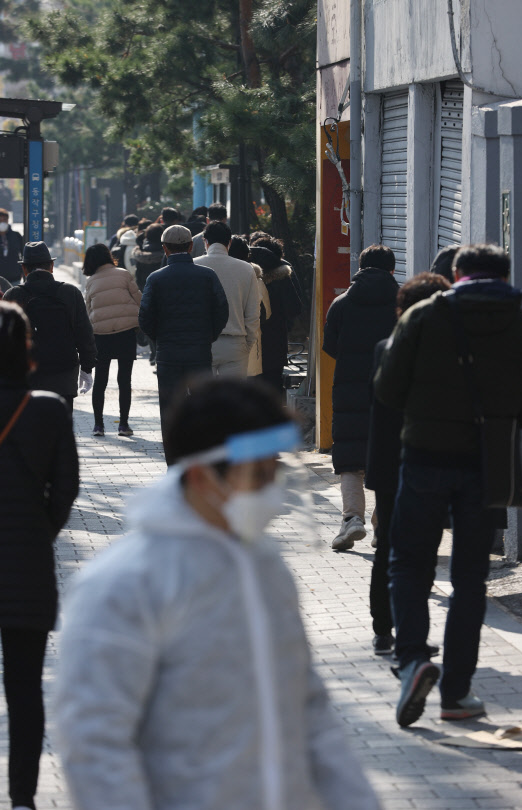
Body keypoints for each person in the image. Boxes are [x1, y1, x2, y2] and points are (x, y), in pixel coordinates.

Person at [54, 376, 380, 810]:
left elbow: (309, 710)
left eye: (274, 472)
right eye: (257, 475)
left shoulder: (264, 566)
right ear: (202, 477)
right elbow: (94, 746)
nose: (271, 491)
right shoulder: (123, 585)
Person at [374, 244, 522, 727]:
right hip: (490, 464)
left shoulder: (425, 316)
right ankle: (456, 694)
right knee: (471, 579)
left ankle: (412, 662)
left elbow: (388, 389)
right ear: (505, 277)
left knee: (409, 563)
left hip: (424, 456)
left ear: (459, 273)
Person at [0, 300, 79, 810]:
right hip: (26, 566)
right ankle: (24, 797)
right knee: (25, 689)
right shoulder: (48, 408)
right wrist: (37, 532)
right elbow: (66, 490)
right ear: (24, 349)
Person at [365, 273, 451, 656]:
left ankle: (383, 628)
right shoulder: (450, 352)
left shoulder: (385, 346)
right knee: (423, 547)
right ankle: (411, 631)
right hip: (428, 461)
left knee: (387, 545)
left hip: (386, 461)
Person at [322, 244, 398, 551]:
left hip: (350, 390)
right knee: (390, 456)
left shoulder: (341, 303)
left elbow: (330, 346)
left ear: (361, 267)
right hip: (392, 390)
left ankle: (352, 520)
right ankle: (383, 526)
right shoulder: (403, 302)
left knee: (351, 458)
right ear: (393, 269)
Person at [138, 225, 229, 455]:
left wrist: (160, 339)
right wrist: (209, 335)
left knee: (170, 409)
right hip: (199, 351)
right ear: (190, 246)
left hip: (168, 354)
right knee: (202, 407)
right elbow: (221, 311)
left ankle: (175, 460)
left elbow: (145, 316)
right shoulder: (207, 276)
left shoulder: (155, 279)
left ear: (165, 249)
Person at [4, 241, 96, 413]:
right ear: (52, 266)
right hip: (64, 373)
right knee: (61, 427)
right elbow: (84, 332)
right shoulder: (70, 293)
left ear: (24, 268)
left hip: (27, 375)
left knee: (30, 429)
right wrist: (87, 367)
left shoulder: (14, 295)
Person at [83, 243, 142, 438]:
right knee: (124, 380)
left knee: (101, 381)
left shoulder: (91, 282)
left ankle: (98, 425)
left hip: (101, 335)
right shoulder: (124, 274)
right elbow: (139, 299)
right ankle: (123, 425)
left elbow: (88, 311)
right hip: (125, 333)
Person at [194, 221, 260, 378]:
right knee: (232, 400)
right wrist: (248, 343)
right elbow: (253, 313)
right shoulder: (246, 269)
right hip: (235, 342)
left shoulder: (193, 266)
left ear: (205, 241)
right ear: (229, 242)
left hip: (199, 343)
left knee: (201, 399)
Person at [250, 245, 302, 394]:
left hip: (250, 344)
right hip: (276, 342)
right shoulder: (282, 278)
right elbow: (294, 309)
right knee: (273, 386)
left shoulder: (246, 279)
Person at [228, 235, 271, 377]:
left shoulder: (213, 275)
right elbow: (266, 313)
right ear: (247, 255)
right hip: (248, 344)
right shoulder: (255, 279)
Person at [133, 224, 164, 365]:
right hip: (162, 292)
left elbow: (138, 275)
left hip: (145, 290)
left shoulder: (141, 251)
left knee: (150, 324)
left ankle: (153, 353)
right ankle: (158, 353)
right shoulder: (165, 251)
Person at [0, 209, 23, 286]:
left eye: (4, 220)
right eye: (0, 220)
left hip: (14, 277)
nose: (2, 222)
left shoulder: (16, 236)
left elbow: (23, 254)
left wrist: (22, 271)